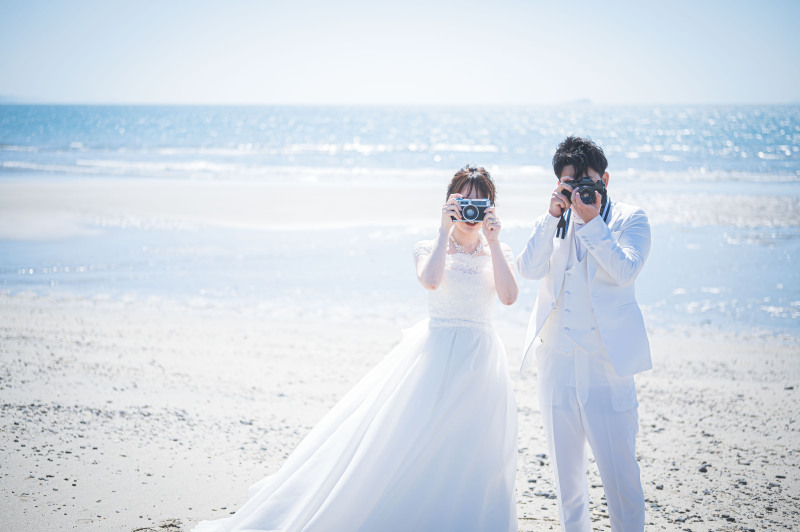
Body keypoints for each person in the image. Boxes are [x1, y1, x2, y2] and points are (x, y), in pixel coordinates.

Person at [193, 164, 519, 532]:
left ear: (492, 206)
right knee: (414, 445)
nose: (472, 212)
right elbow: (430, 281)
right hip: (436, 358)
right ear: (450, 203)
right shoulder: (428, 246)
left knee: (474, 450)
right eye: (465, 202)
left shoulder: (499, 250)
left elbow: (509, 298)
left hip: (482, 363)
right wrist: (444, 231)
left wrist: (492, 242)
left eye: (482, 202)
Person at [516, 136, 651, 532]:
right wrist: (550, 215)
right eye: (570, 185)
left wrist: (592, 223)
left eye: (588, 183)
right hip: (557, 363)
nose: (580, 193)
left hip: (606, 366)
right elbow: (527, 268)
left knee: (621, 479)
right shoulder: (554, 218)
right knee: (566, 482)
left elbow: (625, 271)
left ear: (605, 178)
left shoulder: (632, 220)